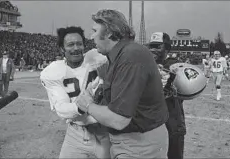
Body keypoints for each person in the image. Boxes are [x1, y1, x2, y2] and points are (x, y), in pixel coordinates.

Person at [75, 9, 169, 158]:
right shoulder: (122, 54)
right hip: (134, 141)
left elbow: (119, 120)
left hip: (138, 144)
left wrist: (87, 105)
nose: (91, 36)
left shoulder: (130, 56)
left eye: (94, 31)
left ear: (110, 33)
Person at [40, 26, 110, 159]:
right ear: (62, 49)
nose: (76, 48)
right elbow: (61, 108)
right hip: (76, 133)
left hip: (105, 131)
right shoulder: (54, 71)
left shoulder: (98, 58)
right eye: (70, 45)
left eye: (79, 44)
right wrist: (83, 103)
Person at [148, 32, 186, 159]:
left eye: (158, 46)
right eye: (151, 46)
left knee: (174, 155)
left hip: (172, 120)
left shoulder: (175, 65)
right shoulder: (145, 64)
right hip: (151, 121)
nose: (153, 49)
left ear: (167, 48)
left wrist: (170, 78)